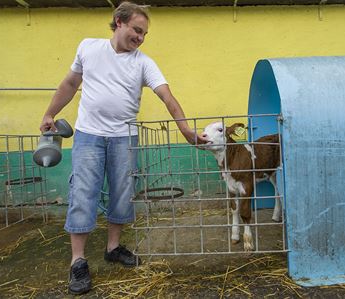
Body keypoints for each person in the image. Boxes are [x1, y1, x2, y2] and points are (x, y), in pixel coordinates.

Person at [39, 2, 206, 295]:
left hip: (124, 137)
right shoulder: (89, 48)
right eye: (137, 30)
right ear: (119, 22)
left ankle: (113, 247)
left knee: (122, 192)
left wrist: (186, 130)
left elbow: (167, 96)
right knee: (83, 192)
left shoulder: (144, 62)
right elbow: (69, 83)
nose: (140, 37)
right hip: (89, 135)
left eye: (144, 34)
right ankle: (78, 261)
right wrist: (49, 113)